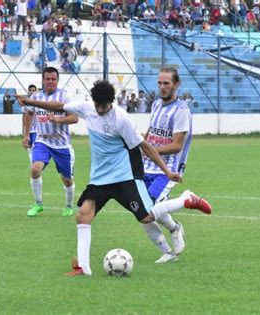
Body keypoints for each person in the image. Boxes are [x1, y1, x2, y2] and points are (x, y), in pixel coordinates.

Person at [17, 80, 212, 276]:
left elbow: (145, 147)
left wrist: (168, 172)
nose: (100, 110)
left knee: (147, 217)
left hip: (124, 176)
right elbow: (59, 106)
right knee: (82, 215)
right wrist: (31, 102)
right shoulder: (87, 108)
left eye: (104, 106)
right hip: (100, 178)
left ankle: (186, 200)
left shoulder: (121, 119)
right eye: (97, 105)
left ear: (111, 102)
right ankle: (83, 268)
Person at [140, 67, 195, 263]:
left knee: (148, 211)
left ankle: (186, 199)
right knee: (141, 211)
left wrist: (149, 149)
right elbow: (151, 132)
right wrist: (142, 145)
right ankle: (173, 235)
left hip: (167, 169)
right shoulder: (155, 105)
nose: (162, 87)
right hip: (146, 166)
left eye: (167, 83)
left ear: (176, 85)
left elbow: (177, 145)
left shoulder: (181, 111)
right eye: (160, 83)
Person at [19, 67, 78, 217]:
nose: (50, 82)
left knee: (67, 179)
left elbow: (74, 118)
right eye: (47, 79)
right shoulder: (36, 96)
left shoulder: (65, 96)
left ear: (57, 80)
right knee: (35, 169)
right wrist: (26, 135)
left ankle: (69, 205)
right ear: (43, 80)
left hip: (62, 144)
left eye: (53, 79)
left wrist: (58, 119)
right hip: (42, 141)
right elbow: (28, 113)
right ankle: (38, 204)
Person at [19, 84, 38, 163]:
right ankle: (32, 163)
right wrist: (23, 127)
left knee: (35, 147)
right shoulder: (26, 104)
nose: (32, 92)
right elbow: (24, 116)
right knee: (29, 147)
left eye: (34, 90)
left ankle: (35, 162)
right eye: (30, 90)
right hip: (29, 130)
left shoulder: (38, 102)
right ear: (28, 91)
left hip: (36, 129)